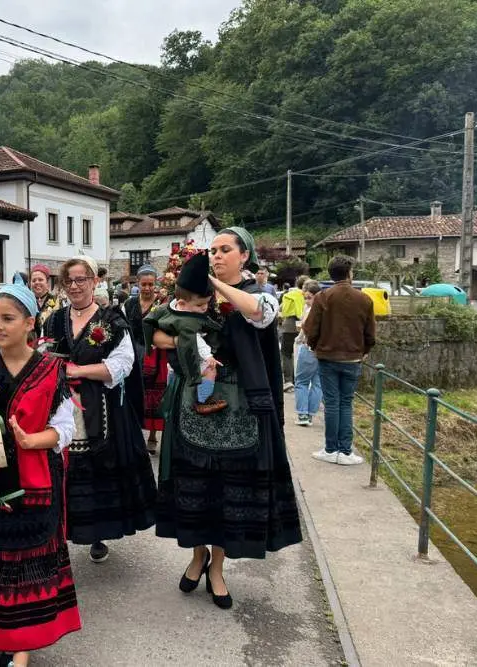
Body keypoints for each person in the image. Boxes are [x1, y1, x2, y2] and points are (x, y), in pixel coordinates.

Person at [153, 226, 302, 610]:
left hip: (241, 410)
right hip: (195, 404)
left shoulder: (259, 295)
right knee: (196, 485)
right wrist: (190, 342)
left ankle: (217, 567)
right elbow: (159, 335)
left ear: (244, 256)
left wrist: (215, 286)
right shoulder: (194, 296)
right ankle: (197, 554)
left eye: (224, 250)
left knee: (226, 488)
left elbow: (256, 313)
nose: (216, 255)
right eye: (212, 250)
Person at [0, 282, 81, 667]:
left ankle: (22, 649)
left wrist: (31, 441)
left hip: (37, 479)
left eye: (7, 319)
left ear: (30, 323)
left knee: (29, 561)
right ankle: (5, 636)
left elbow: (65, 428)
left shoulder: (50, 369)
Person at [44, 254, 157, 564]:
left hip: (103, 407)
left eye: (82, 279)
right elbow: (43, 356)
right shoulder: (55, 319)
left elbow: (122, 365)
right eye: (69, 280)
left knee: (98, 467)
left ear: (95, 282)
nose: (75, 286)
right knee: (64, 469)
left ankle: (97, 533)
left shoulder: (111, 320)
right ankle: (60, 533)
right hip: (64, 405)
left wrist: (78, 371)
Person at [302, 255, 376, 465]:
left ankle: (330, 448)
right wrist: (365, 349)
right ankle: (345, 451)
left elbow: (311, 328)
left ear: (332, 273)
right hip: (353, 357)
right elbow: (370, 332)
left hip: (327, 356)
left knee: (332, 403)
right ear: (350, 273)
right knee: (346, 403)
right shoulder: (364, 299)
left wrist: (315, 346)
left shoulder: (323, 297)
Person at [143, 252, 223, 414]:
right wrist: (208, 357)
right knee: (210, 370)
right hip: (187, 363)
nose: (204, 309)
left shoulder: (173, 307)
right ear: (181, 303)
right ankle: (204, 400)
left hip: (176, 366)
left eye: (206, 305)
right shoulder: (186, 318)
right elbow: (193, 339)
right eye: (201, 306)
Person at [123, 265, 167, 453]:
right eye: (144, 284)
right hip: (133, 350)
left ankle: (152, 436)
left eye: (150, 284)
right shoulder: (130, 304)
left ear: (155, 284)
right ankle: (134, 433)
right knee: (133, 390)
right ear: (138, 284)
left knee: (153, 395)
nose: (147, 288)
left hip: (154, 352)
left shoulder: (163, 304)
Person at [294, 280, 323, 427]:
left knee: (301, 382)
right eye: (305, 297)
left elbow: (305, 329)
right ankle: (310, 414)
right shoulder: (327, 309)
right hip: (323, 351)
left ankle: (302, 414)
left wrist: (298, 339)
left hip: (309, 348)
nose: (306, 300)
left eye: (309, 297)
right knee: (318, 384)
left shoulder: (311, 311)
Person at [279, 275, 309, 392]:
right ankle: (300, 380)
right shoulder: (310, 296)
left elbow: (281, 309)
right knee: (301, 354)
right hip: (304, 327)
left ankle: (288, 381)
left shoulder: (289, 295)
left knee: (287, 353)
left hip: (289, 326)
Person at [30, 263, 59, 337]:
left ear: (47, 282)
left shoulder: (57, 301)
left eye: (40, 280)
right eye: (34, 280)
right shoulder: (27, 302)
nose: (37, 282)